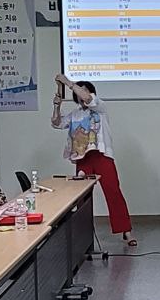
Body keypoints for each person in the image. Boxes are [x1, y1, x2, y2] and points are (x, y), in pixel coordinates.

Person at [51, 73, 135, 246]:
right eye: (79, 91)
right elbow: (57, 123)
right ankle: (83, 237)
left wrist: (67, 82)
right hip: (83, 159)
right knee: (82, 199)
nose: (82, 94)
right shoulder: (74, 114)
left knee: (113, 192)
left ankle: (126, 230)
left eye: (85, 90)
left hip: (102, 156)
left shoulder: (100, 107)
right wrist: (57, 107)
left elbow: (87, 98)